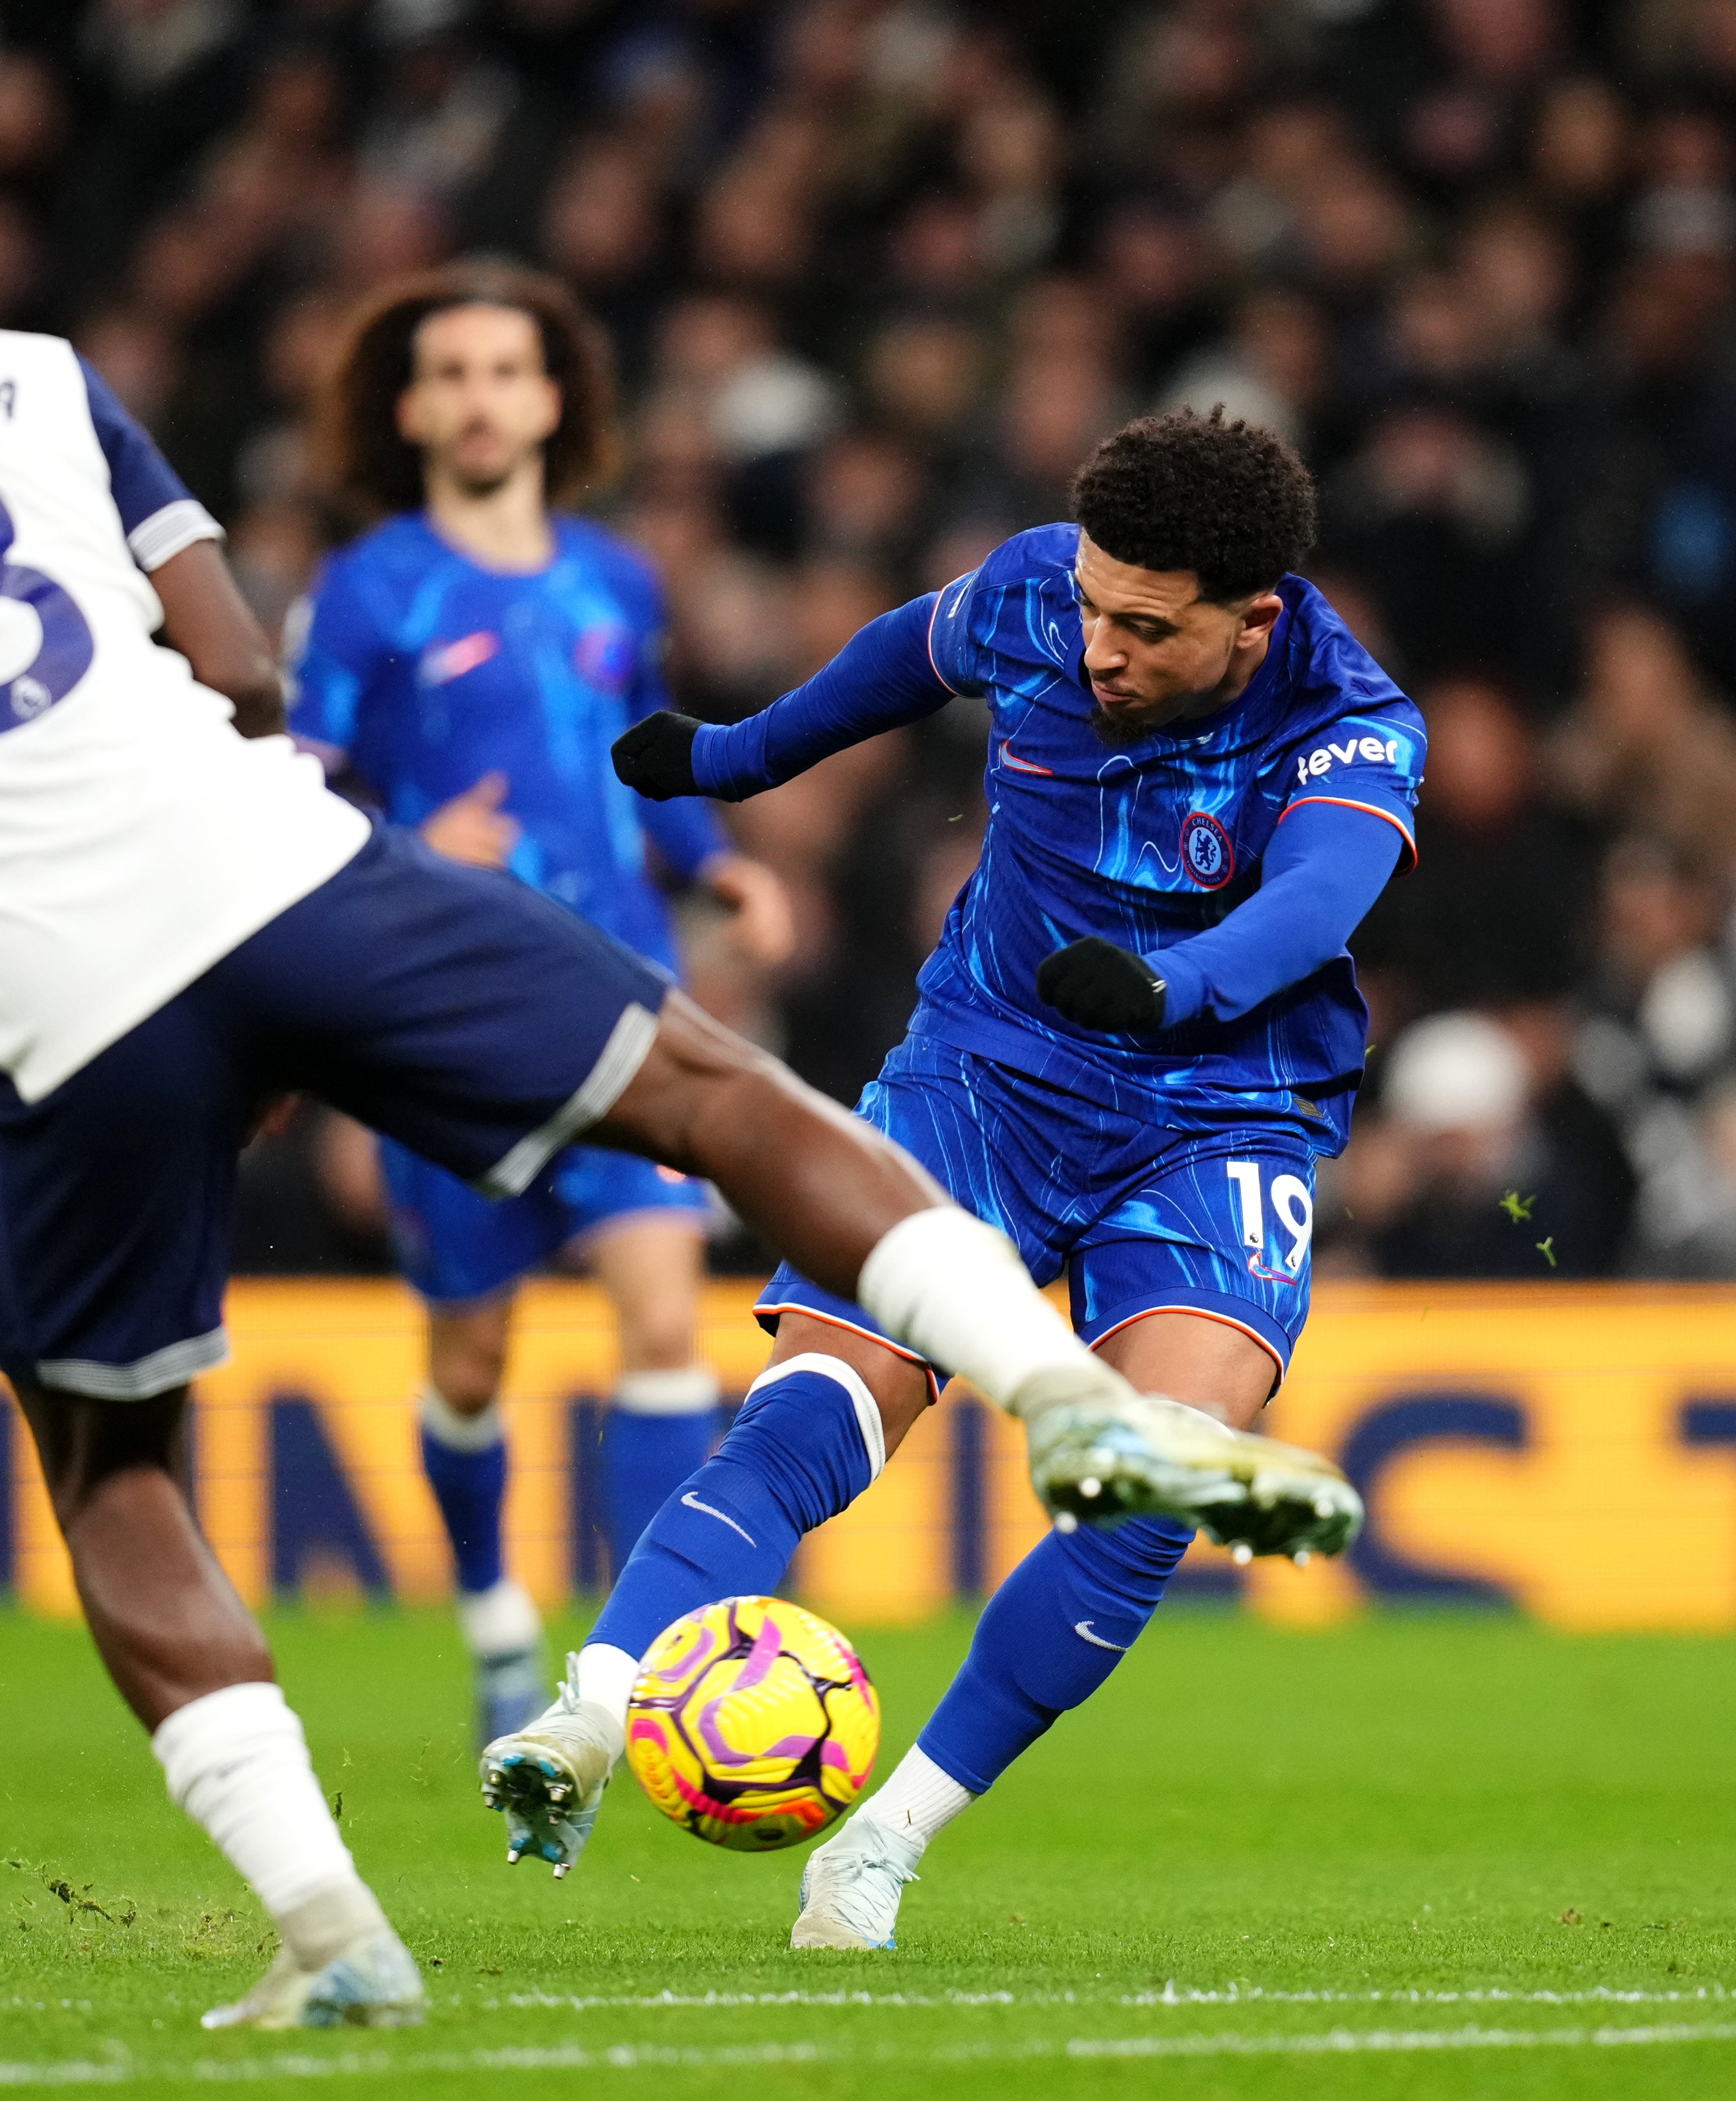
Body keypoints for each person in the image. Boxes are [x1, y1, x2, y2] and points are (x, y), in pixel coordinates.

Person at [0, 91, 1356, 2029]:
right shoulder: (32, 379)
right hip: (303, 879)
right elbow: (237, 666)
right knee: (711, 1103)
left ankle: (335, 1920)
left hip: (65, 995)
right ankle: (1017, 1416)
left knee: (116, 1476)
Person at [477, 408, 1409, 1945]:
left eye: (1145, 627)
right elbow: (905, 655)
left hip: (1220, 1110)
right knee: (820, 1400)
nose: (1097, 644)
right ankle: (589, 1715)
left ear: (1253, 620)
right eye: (1094, 605)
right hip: (979, 1070)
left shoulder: (1350, 720)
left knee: (1153, 1476)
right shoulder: (1046, 589)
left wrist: (1173, 993)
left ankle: (876, 1847)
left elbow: (1315, 900)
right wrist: (726, 757)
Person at [290, 264, 795, 1748]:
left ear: (552, 398)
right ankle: (494, 1614)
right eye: (449, 373)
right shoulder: (370, 586)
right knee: (469, 1360)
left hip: (626, 1004)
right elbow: (298, 782)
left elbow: (637, 763)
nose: (479, 396)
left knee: (661, 1310)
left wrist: (722, 863)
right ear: (409, 409)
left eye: (505, 370)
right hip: (443, 1017)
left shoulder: (613, 580)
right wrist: (399, 848)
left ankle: (632, 1673)